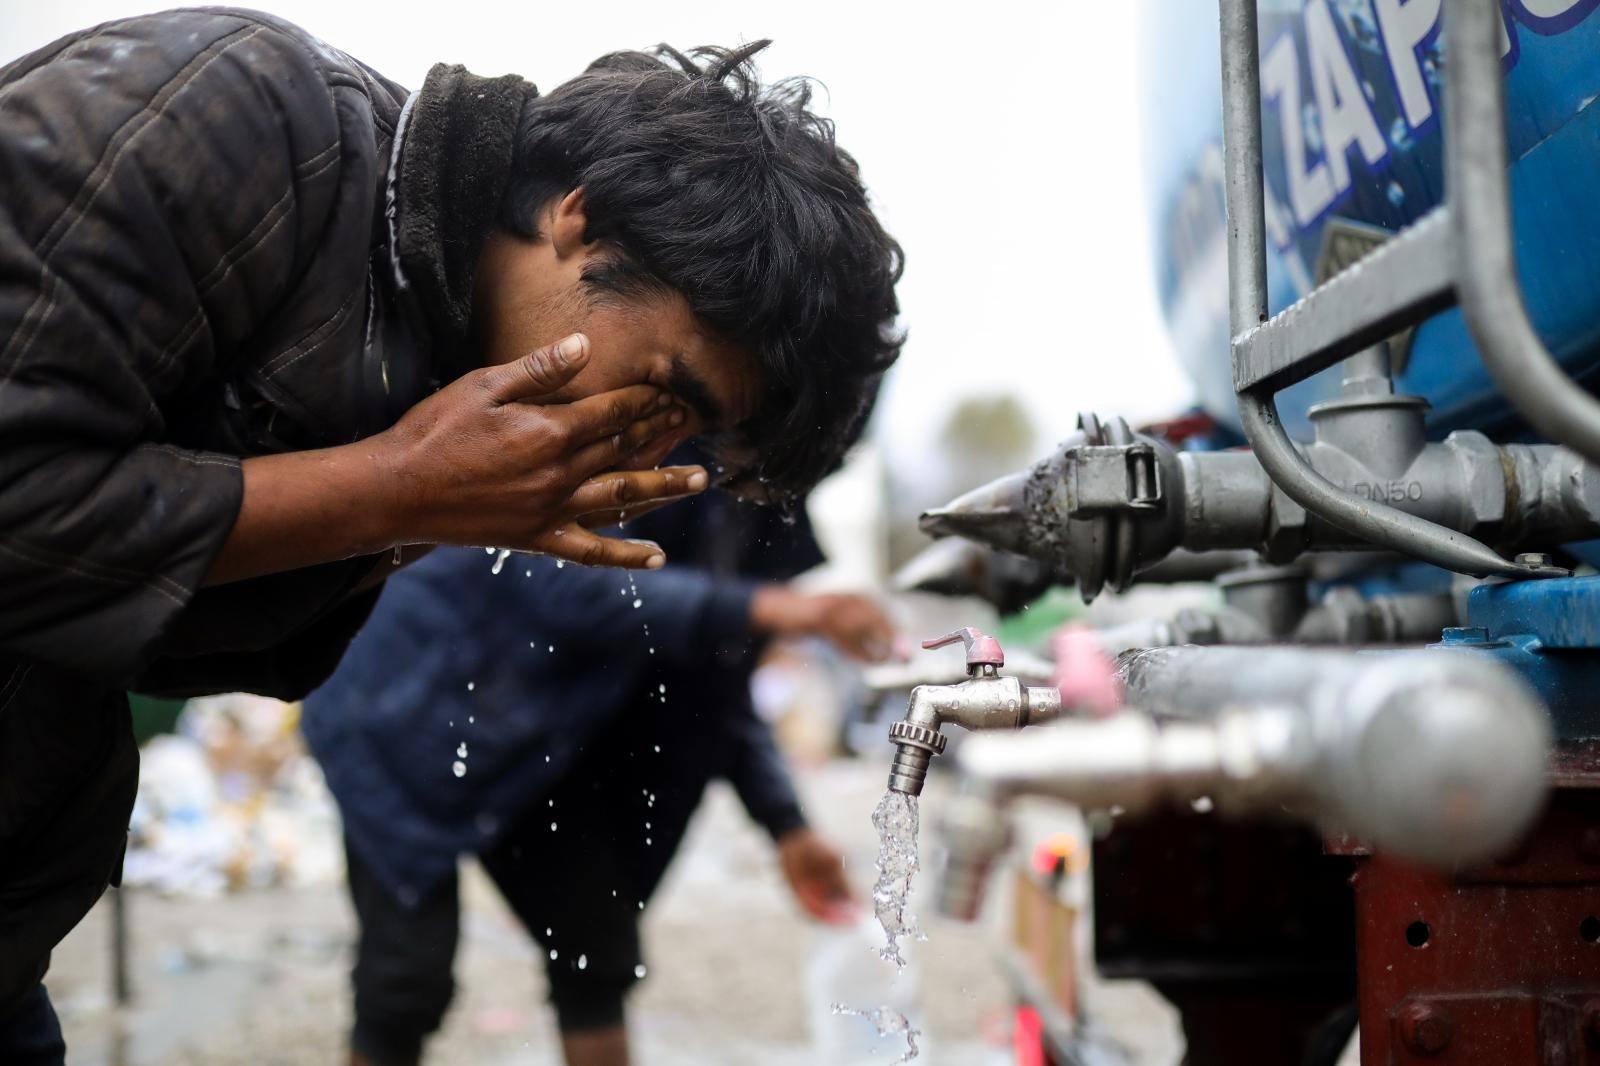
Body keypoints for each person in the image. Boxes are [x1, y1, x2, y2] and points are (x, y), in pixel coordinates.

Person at [0, 10, 903, 1061]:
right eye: (664, 391)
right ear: (584, 219)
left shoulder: (453, 379)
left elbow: (167, 620)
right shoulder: (236, 118)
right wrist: (397, 492)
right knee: (403, 977)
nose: (650, 447)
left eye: (694, 431)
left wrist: (412, 505)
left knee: (594, 957)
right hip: (398, 755)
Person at [303, 471, 896, 1066]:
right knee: (405, 978)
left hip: (542, 749)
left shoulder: (760, 502)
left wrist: (786, 824)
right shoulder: (632, 442)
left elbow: (714, 681)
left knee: (596, 953)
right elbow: (573, 592)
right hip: (406, 711)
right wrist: (774, 608)